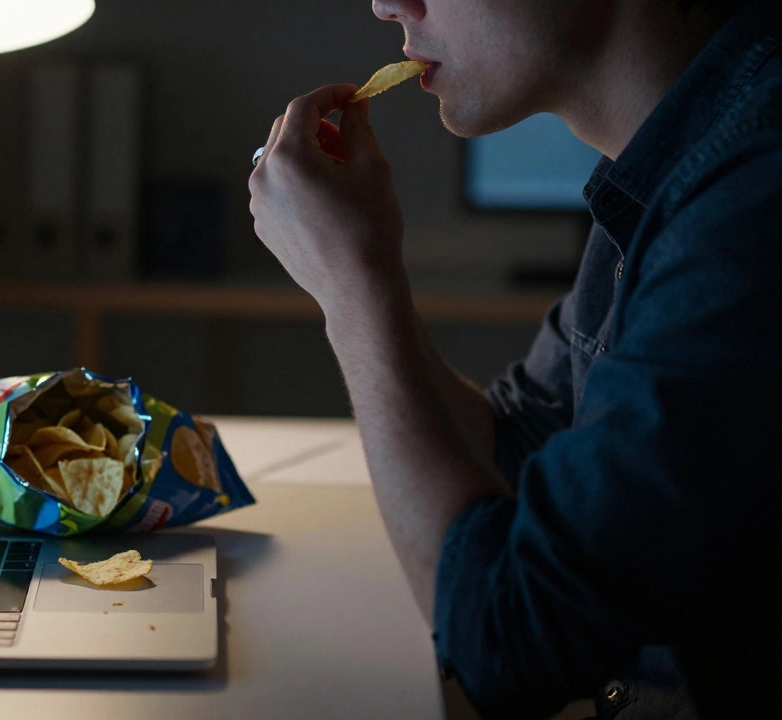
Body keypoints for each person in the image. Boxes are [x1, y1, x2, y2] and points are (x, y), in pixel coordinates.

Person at [248, 0, 782, 717]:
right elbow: (521, 448)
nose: (386, 3)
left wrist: (353, 295)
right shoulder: (668, 161)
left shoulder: (753, 193)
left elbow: (505, 646)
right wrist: (364, 268)